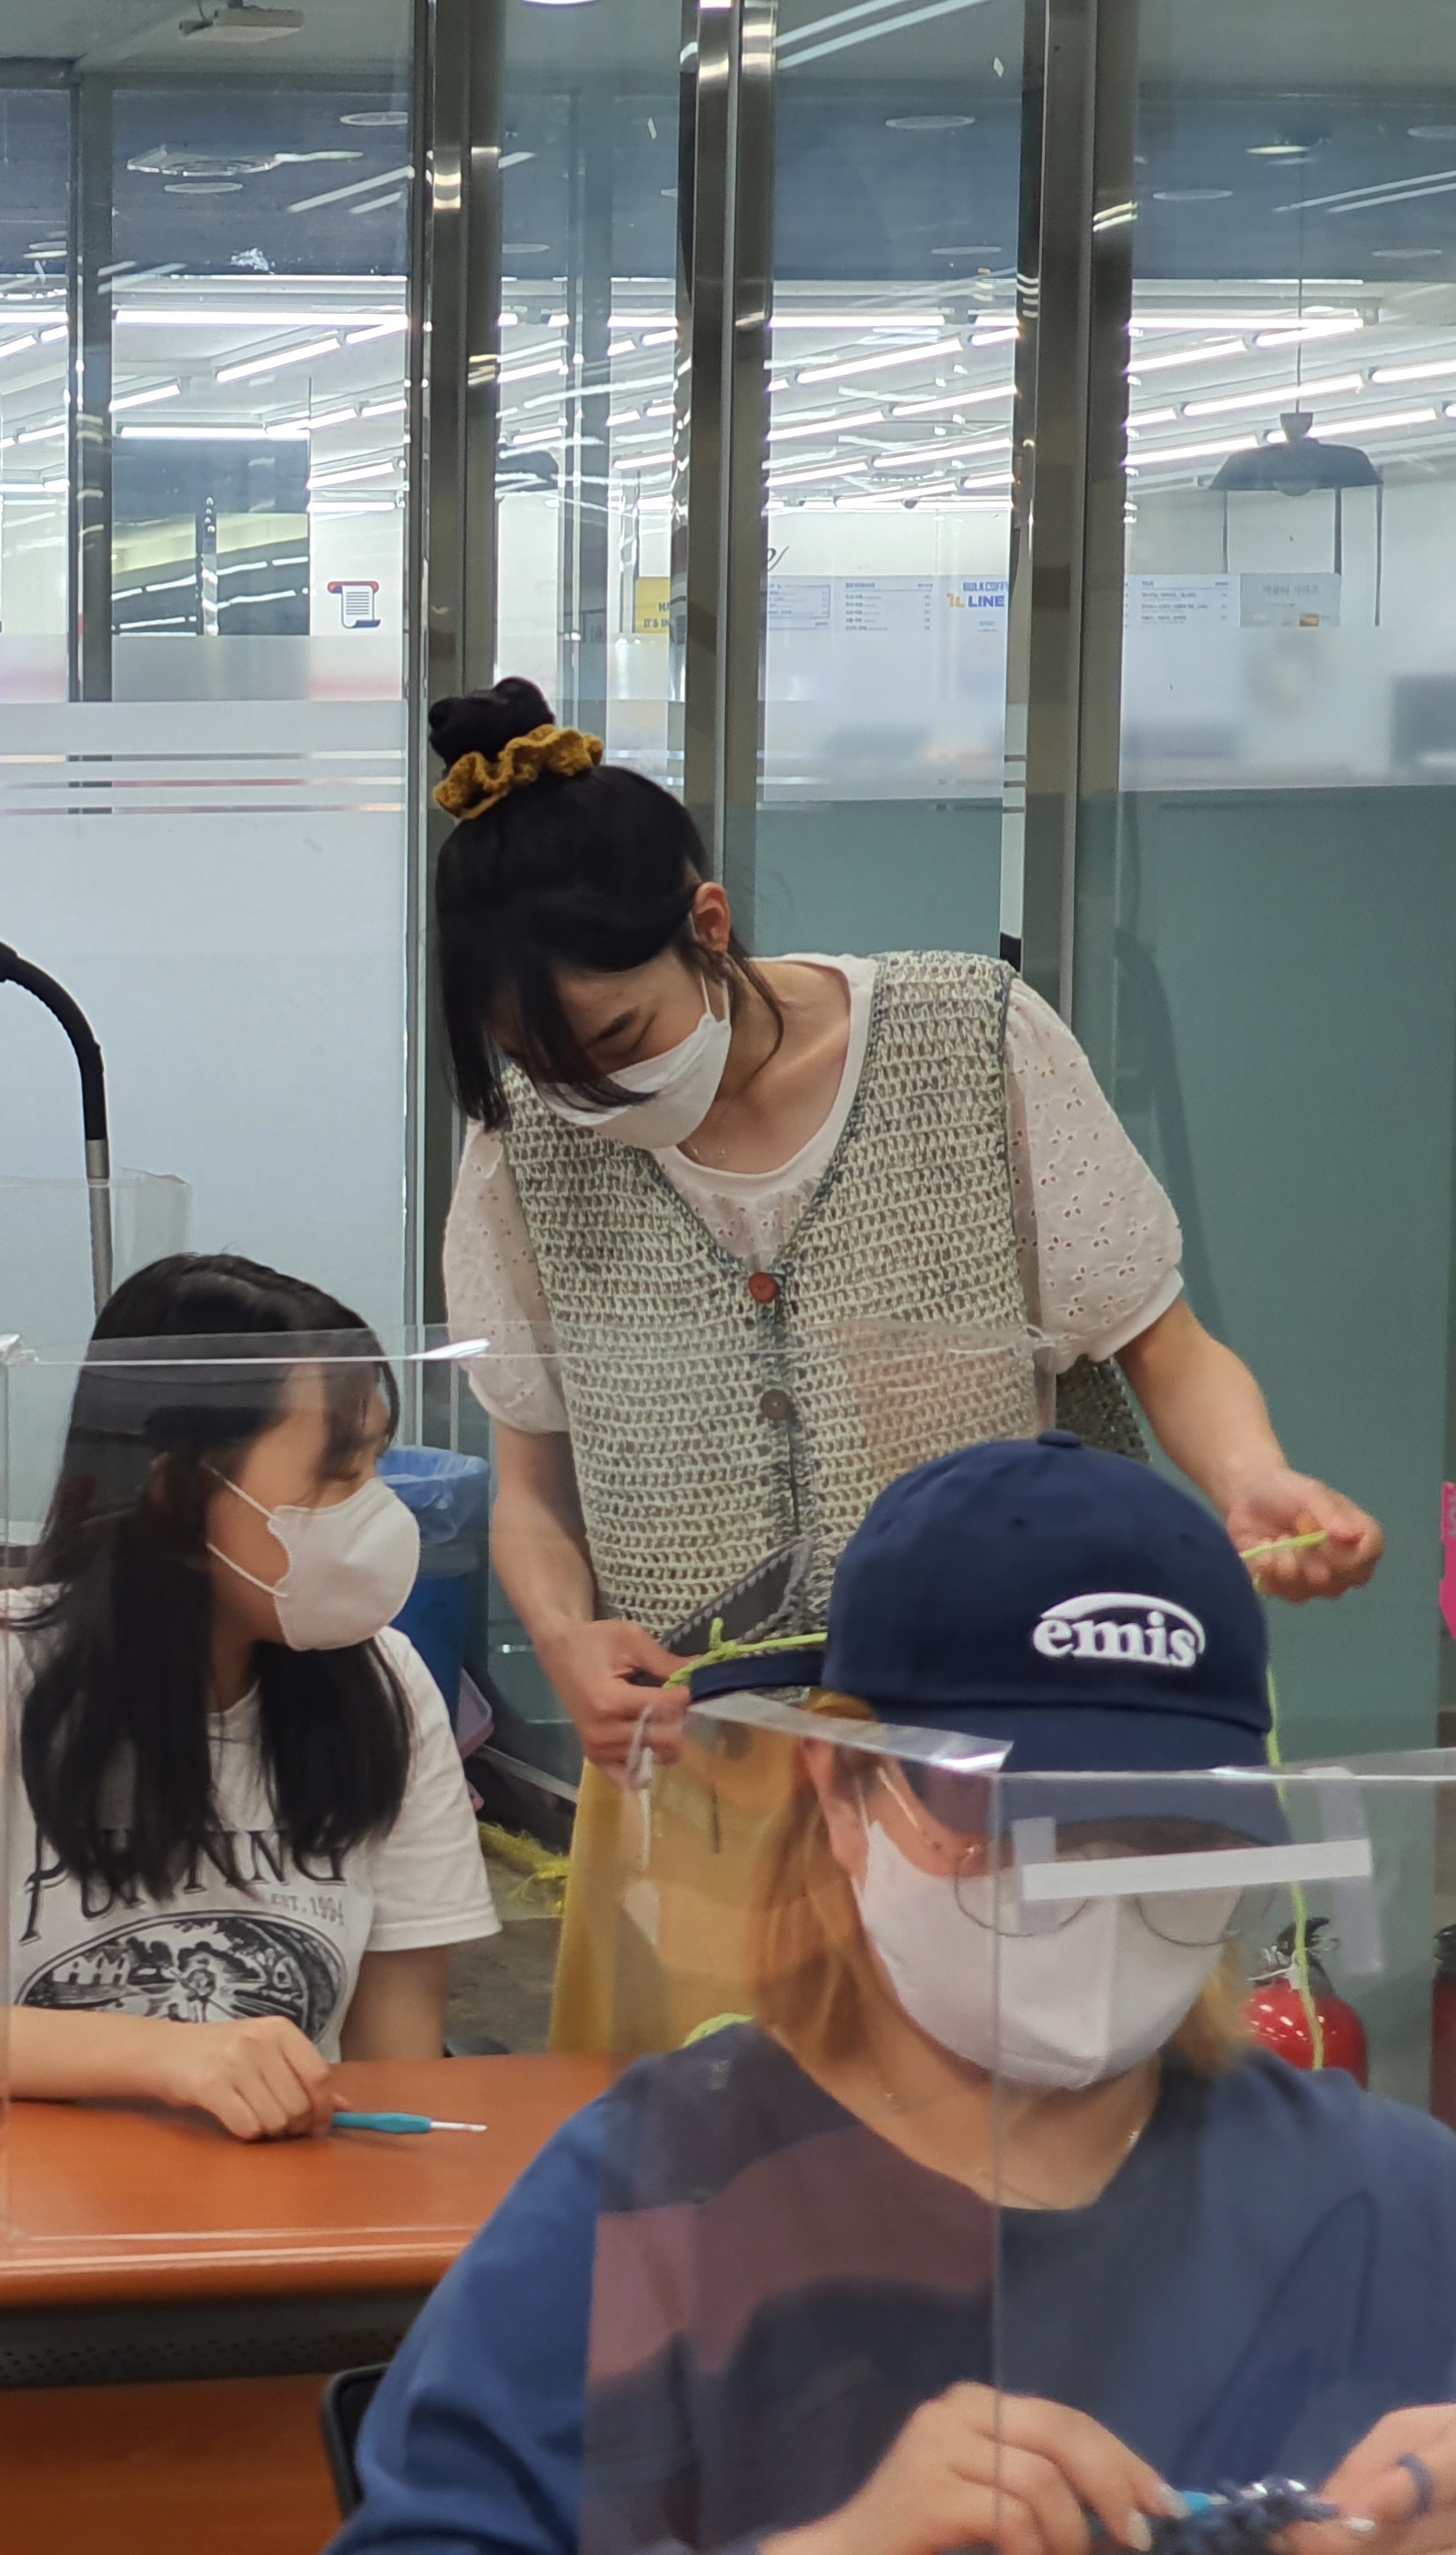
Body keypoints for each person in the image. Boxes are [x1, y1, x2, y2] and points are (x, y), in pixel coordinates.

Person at [422, 677, 1380, 2041]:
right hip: (708, 1772)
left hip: (1000, 1740)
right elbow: (532, 1487)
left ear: (710, 926)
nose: (591, 1097)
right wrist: (569, 1640)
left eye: (620, 1041)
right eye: (541, 1066)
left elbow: (1161, 1344)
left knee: (1031, 2103)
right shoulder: (526, 1148)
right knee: (721, 2139)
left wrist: (1252, 1476)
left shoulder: (967, 1040)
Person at [331, 1433, 1456, 2555]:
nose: (1100, 1896)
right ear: (841, 1790)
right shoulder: (651, 2200)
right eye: (1019, 1829)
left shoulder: (1391, 2204)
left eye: (1171, 1837)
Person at [0, 1255, 499, 2140]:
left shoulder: (388, 1687)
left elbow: (398, 2075)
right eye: (337, 1473)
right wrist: (168, 2059)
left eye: (375, 1466)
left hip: (274, 2200)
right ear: (176, 1492)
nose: (377, 1512)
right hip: (14, 2195)